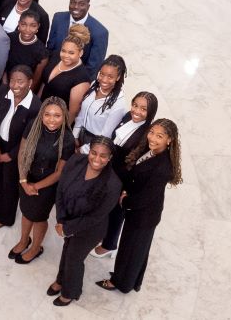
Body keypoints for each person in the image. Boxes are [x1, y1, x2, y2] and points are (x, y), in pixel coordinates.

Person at [97, 119, 182, 294]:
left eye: (159, 136)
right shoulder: (152, 151)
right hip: (141, 211)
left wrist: (125, 200)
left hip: (144, 215)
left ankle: (121, 283)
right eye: (152, 132)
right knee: (137, 249)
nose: (152, 138)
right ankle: (132, 280)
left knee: (131, 250)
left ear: (169, 140)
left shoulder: (162, 167)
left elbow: (146, 198)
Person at [49, 136, 122, 306]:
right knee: (67, 250)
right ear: (89, 151)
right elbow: (60, 189)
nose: (97, 159)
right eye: (94, 153)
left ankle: (70, 292)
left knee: (74, 257)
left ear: (110, 158)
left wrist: (68, 228)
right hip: (67, 219)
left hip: (91, 228)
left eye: (103, 156)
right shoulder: (76, 161)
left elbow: (96, 216)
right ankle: (60, 280)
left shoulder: (113, 184)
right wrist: (61, 220)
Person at [9, 96, 76, 265]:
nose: (51, 120)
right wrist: (24, 181)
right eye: (47, 114)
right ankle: (24, 241)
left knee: (38, 217)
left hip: (47, 185)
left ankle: (35, 247)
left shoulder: (67, 139)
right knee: (26, 212)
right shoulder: (33, 125)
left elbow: (60, 172)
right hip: (26, 178)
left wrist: (35, 186)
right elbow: (22, 153)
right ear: (42, 115)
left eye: (57, 115)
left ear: (64, 117)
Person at [92, 91, 157, 258]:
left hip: (123, 178)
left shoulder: (146, 134)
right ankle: (101, 234)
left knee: (116, 212)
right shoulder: (128, 116)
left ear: (151, 113)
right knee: (105, 207)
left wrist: (126, 188)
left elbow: (137, 165)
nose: (136, 111)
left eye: (143, 109)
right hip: (110, 170)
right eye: (135, 105)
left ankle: (109, 245)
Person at [0, 65, 41, 230]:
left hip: (17, 149)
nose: (15, 85)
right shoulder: (2, 92)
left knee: (10, 184)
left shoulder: (35, 106)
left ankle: (4, 217)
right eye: (13, 80)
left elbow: (31, 138)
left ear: (30, 82)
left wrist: (12, 155)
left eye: (20, 81)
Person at [47, 0, 109, 78]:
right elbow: (50, 47)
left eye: (81, 4)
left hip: (74, 81)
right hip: (51, 73)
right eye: (73, 2)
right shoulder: (58, 18)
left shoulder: (100, 32)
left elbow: (93, 67)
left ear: (88, 6)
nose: (76, 7)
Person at [74, 55, 128, 152]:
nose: (104, 80)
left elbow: (105, 135)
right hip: (80, 134)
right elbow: (82, 113)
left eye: (110, 76)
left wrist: (83, 150)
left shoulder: (119, 105)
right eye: (102, 74)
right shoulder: (94, 85)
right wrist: (75, 135)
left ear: (118, 77)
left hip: (94, 144)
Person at [40, 24, 93, 123]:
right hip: (40, 110)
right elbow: (44, 84)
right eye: (63, 51)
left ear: (80, 53)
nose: (65, 56)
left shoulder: (82, 78)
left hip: (54, 122)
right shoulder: (56, 57)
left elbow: (72, 113)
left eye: (71, 53)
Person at [5, 10, 49, 89]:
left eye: (33, 26)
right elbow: (3, 64)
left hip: (23, 89)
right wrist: (4, 85)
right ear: (19, 24)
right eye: (23, 24)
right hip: (5, 83)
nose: (27, 29)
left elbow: (35, 80)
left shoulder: (42, 53)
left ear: (38, 27)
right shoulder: (9, 39)